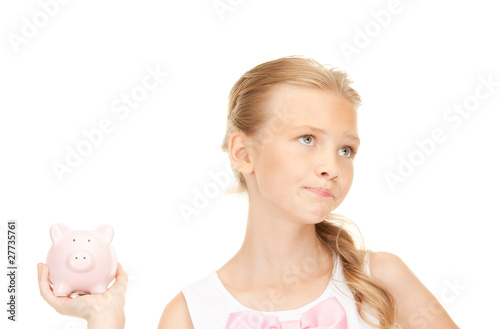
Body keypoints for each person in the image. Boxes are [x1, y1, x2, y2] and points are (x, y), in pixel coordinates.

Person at [39, 56, 460, 329]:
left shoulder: (381, 280)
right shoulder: (191, 313)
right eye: (308, 139)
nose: (332, 166)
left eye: (346, 149)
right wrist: (105, 318)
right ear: (244, 153)